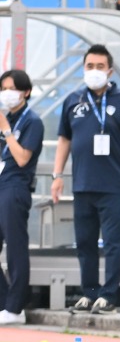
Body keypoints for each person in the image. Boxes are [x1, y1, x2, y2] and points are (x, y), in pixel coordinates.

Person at [51, 44, 120, 315]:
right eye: (89, 66)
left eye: (100, 67)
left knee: (113, 244)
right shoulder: (73, 101)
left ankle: (109, 295)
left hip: (114, 186)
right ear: (84, 69)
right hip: (82, 185)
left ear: (110, 70)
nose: (94, 71)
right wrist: (57, 176)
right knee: (85, 244)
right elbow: (63, 141)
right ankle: (89, 293)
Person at [0, 69, 44, 325]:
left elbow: (22, 157)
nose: (7, 94)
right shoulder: (9, 118)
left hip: (16, 187)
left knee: (15, 248)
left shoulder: (32, 121)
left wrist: (6, 131)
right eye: (3, 88)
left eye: (12, 88)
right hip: (2, 184)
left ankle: (16, 308)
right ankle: (5, 302)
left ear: (26, 92)